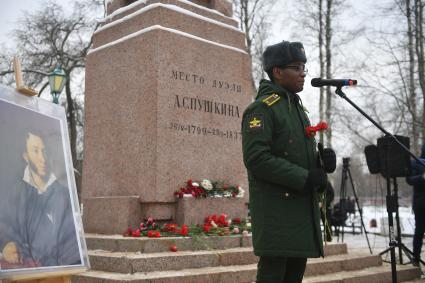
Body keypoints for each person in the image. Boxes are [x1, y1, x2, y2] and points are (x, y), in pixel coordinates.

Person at [242, 40, 327, 283]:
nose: (303, 74)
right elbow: (257, 159)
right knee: (273, 276)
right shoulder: (262, 109)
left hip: (299, 209)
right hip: (277, 212)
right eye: (297, 68)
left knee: (293, 278)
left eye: (304, 68)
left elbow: (294, 154)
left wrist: (321, 168)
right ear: (278, 72)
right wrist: (304, 178)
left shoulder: (297, 109)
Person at [0, 130, 81, 268]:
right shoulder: (15, 193)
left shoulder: (64, 195)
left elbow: (71, 245)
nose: (42, 158)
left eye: (45, 151)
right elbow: (4, 225)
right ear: (25, 156)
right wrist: (6, 244)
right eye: (35, 151)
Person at [406, 142, 425, 266]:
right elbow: (409, 180)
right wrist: (422, 177)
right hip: (421, 203)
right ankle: (416, 259)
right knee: (419, 231)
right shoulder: (415, 162)